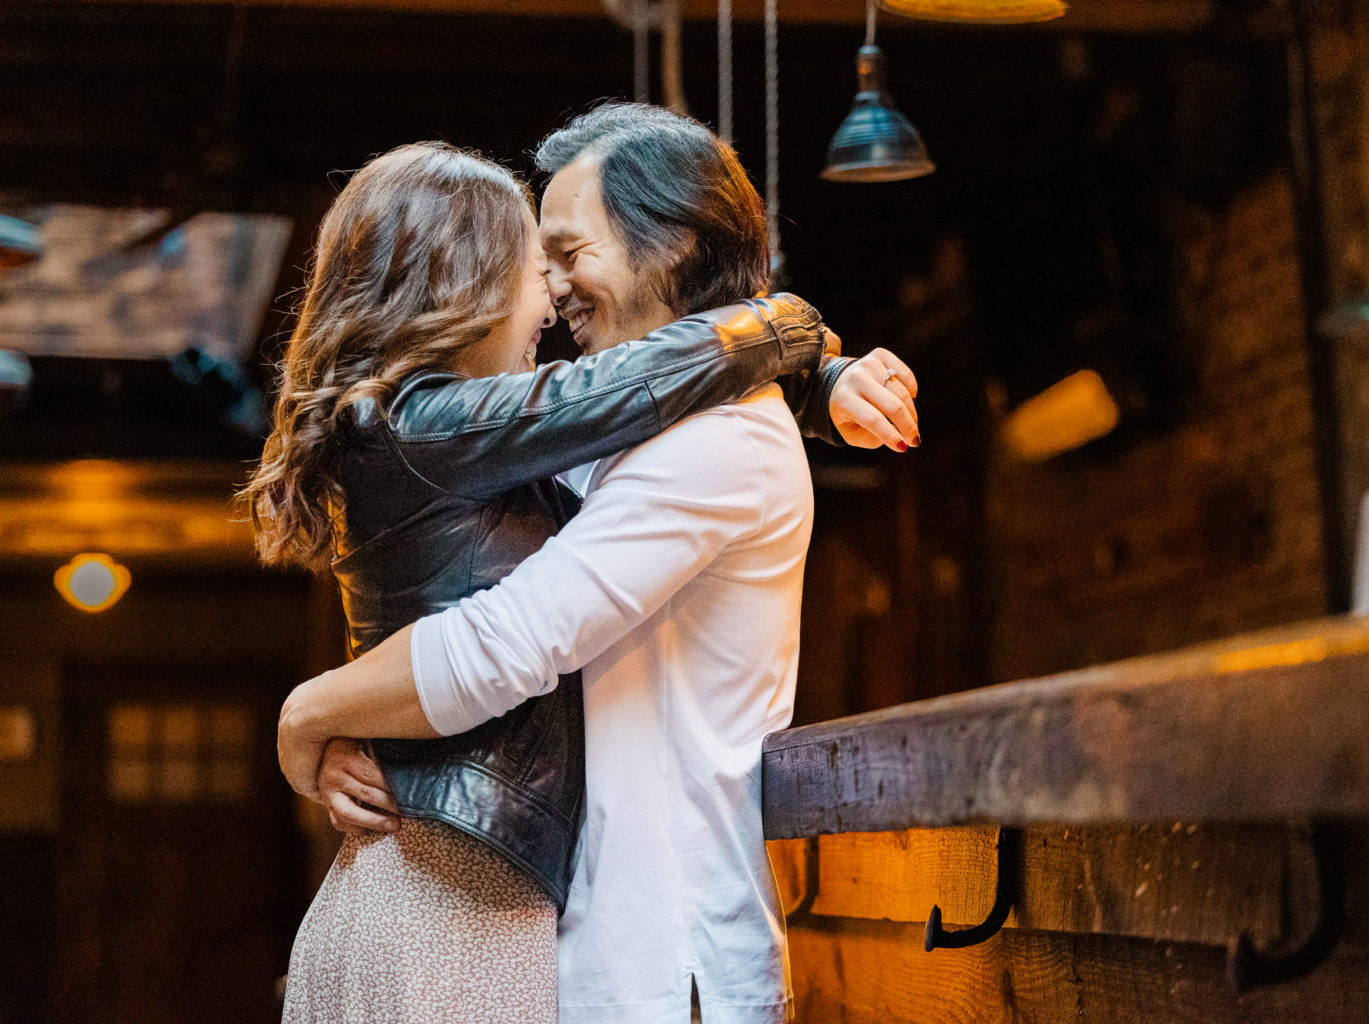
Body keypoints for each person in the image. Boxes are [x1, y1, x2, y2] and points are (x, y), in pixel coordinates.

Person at [277, 103, 920, 1024]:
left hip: (658, 959)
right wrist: (811, 364)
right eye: (538, 262)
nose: (550, 288)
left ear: (673, 246)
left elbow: (507, 641)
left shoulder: (720, 442)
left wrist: (313, 712)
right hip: (568, 940)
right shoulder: (574, 430)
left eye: (569, 253)